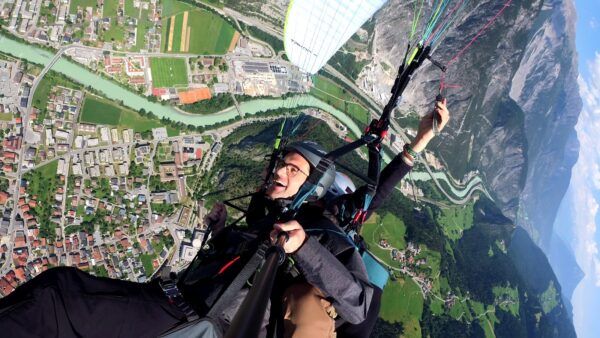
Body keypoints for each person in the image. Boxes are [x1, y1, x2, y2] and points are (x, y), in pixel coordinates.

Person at [0, 99, 450, 338]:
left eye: (293, 170)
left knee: (55, 299)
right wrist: (220, 230)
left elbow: (359, 304)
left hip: (198, 318)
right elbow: (370, 198)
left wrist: (304, 248)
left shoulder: (321, 231)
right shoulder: (266, 212)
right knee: (59, 289)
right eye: (279, 164)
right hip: (177, 301)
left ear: (313, 187)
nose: (278, 171)